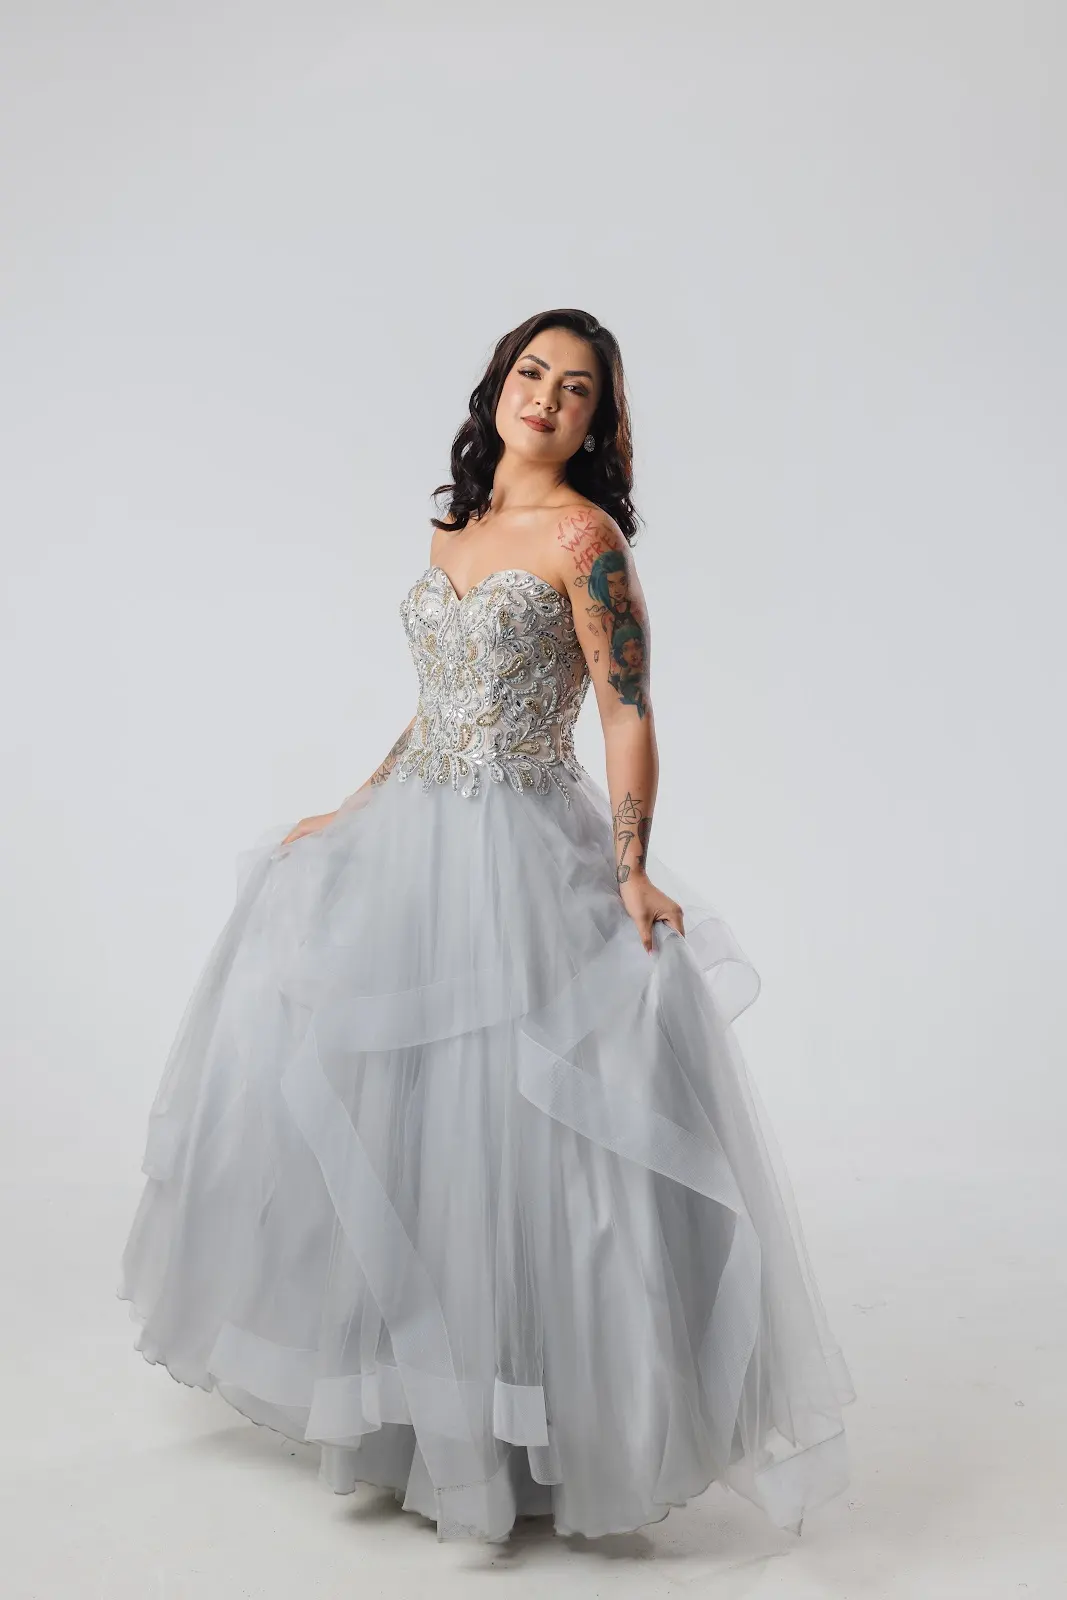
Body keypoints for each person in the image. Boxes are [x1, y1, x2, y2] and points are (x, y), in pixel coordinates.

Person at [118, 307, 856, 1545]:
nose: (546, 398)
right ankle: (418, 1414)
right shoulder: (452, 528)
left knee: (528, 1131)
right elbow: (439, 703)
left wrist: (629, 867)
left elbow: (624, 709)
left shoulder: (583, 536)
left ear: (596, 420)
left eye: (576, 388)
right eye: (531, 372)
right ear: (496, 385)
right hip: (418, 831)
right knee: (414, 1124)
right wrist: (357, 804)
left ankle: (552, 1435)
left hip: (519, 840)